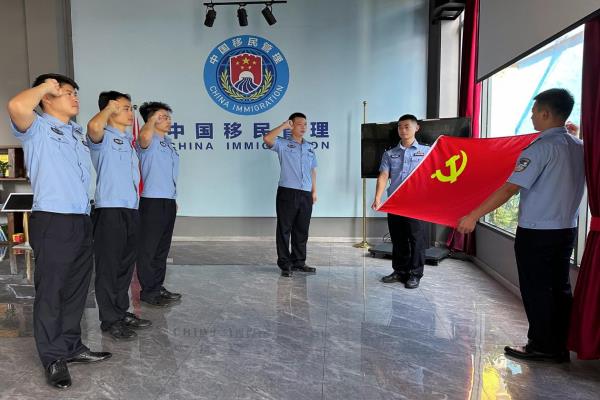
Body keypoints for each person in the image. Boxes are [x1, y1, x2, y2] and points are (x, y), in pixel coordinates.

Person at [457, 88, 585, 362]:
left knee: (536, 288)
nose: (532, 117)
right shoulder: (578, 146)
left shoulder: (540, 148)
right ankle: (560, 344)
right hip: (567, 229)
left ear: (546, 113)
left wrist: (473, 215)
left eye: (534, 112)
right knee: (560, 287)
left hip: (538, 232)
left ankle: (541, 346)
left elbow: (510, 188)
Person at [7, 73, 111, 389]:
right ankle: (52, 357)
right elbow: (16, 105)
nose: (75, 97)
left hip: (81, 218)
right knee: (52, 291)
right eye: (67, 92)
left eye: (75, 92)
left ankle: (71, 346)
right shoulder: (36, 128)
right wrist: (44, 86)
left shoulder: (76, 132)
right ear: (47, 98)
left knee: (77, 288)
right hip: (53, 219)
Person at [87, 91, 152, 341]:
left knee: (125, 266)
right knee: (109, 267)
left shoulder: (128, 141)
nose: (130, 112)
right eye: (125, 107)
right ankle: (109, 319)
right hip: (110, 210)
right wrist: (108, 109)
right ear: (111, 109)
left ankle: (121, 312)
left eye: (130, 108)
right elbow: (93, 127)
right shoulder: (102, 136)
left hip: (131, 209)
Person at [372, 114, 430, 289]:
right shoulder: (390, 153)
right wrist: (378, 198)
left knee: (417, 240)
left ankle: (415, 274)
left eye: (406, 126)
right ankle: (399, 271)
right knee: (398, 239)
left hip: (416, 204)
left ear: (416, 128)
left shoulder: (427, 152)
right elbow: (383, 176)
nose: (403, 130)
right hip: (395, 202)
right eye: (399, 127)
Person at [136, 101, 181, 306]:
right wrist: (151, 120)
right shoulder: (147, 139)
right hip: (152, 201)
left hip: (167, 201)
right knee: (149, 249)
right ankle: (148, 291)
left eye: (168, 117)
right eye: (162, 117)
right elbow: (144, 138)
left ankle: (157, 286)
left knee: (162, 248)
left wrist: (173, 198)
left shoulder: (168, 143)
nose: (168, 120)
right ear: (151, 119)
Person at [263, 113, 318, 277]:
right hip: (288, 192)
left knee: (302, 229)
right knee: (284, 229)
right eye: (299, 124)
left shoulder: (309, 147)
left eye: (305, 124)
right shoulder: (283, 144)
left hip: (306, 193)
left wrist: (314, 190)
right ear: (291, 125)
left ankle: (299, 262)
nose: (303, 127)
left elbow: (312, 170)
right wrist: (283, 126)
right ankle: (285, 264)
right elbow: (267, 138)